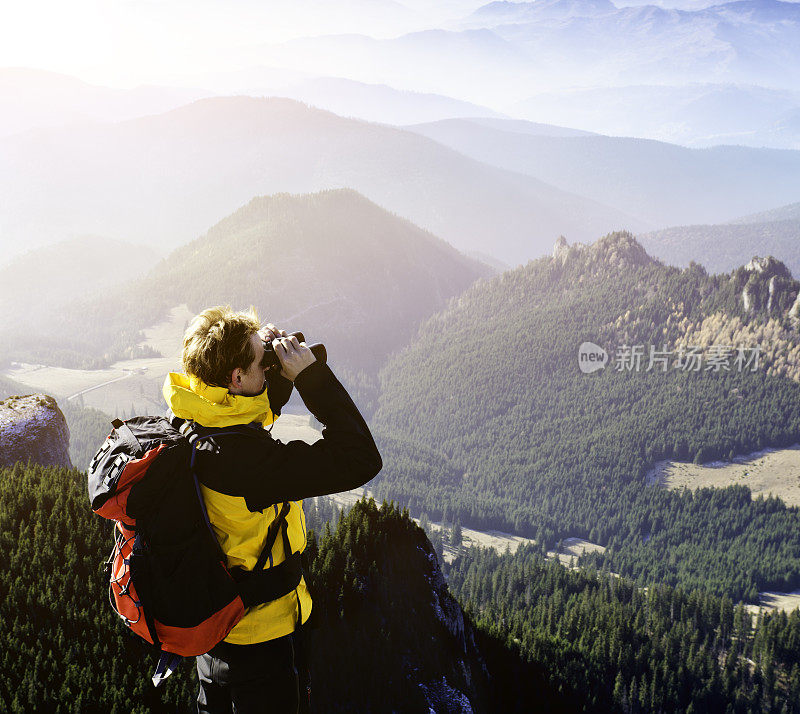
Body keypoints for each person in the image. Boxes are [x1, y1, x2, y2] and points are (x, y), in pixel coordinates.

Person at [161, 305, 382, 714]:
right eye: (262, 363)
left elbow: (242, 421)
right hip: (261, 642)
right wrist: (311, 378)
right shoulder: (245, 463)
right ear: (237, 377)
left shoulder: (189, 417)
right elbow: (361, 459)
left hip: (215, 635)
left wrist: (273, 371)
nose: (269, 369)